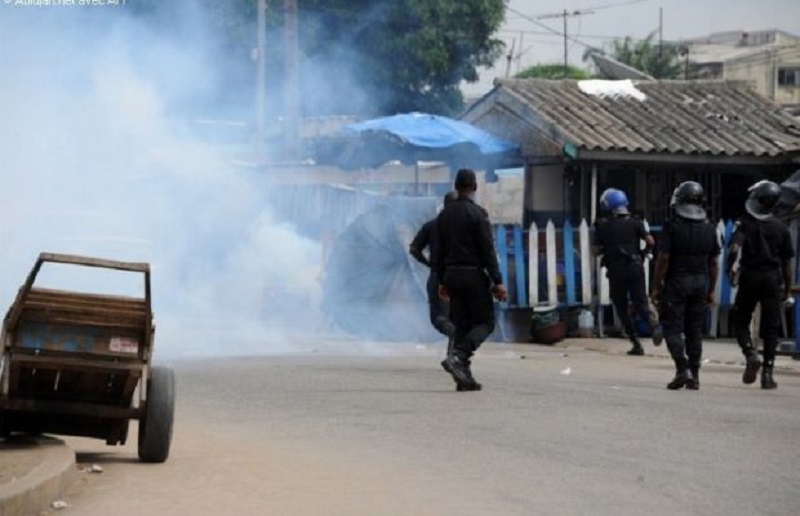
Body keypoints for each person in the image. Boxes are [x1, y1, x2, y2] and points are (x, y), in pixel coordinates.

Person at [434, 168, 507, 391]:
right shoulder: (478, 214)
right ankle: (459, 356)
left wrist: (441, 281)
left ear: (456, 187)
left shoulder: (443, 216)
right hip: (473, 274)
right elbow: (488, 250)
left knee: (463, 325)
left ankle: (463, 376)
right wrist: (498, 281)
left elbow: (438, 251)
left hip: (452, 276)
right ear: (474, 187)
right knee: (486, 322)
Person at [651, 181, 720, 390]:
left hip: (677, 281)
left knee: (672, 328)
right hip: (700, 282)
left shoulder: (672, 226)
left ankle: (683, 369)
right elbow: (714, 262)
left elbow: (663, 259)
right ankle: (695, 376)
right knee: (694, 331)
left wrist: (656, 286)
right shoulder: (710, 227)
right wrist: (710, 290)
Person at [726, 180, 794, 390]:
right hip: (773, 279)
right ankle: (767, 373)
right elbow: (786, 263)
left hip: (751, 277)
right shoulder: (781, 228)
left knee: (740, 320)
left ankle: (749, 352)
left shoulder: (745, 223)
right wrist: (788, 290)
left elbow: (734, 249)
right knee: (771, 329)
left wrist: (731, 269)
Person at [593, 188, 662, 356]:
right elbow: (650, 241)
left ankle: (636, 343)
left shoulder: (602, 225)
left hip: (616, 271)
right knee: (640, 303)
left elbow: (596, 250)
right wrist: (643, 254)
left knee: (622, 308)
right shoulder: (636, 222)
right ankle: (652, 323)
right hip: (635, 267)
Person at [409, 191, 458, 357]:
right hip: (464, 277)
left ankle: (454, 338)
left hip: (439, 276)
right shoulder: (468, 227)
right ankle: (455, 353)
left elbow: (414, 249)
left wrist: (427, 263)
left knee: (439, 317)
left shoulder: (431, 226)